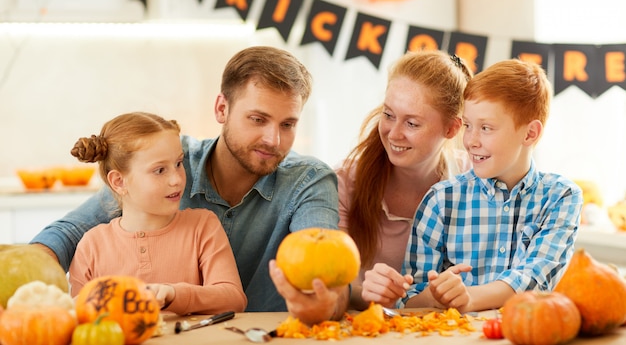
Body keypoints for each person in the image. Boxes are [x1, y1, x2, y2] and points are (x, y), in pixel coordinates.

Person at [31, 46, 346, 325]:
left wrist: (325, 301)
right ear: (222, 108)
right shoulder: (171, 158)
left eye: (287, 124)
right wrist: (22, 272)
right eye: (258, 119)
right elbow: (71, 232)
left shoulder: (309, 181)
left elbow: (328, 270)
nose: (273, 140)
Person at [361, 59, 583, 313]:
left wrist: (468, 297)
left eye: (486, 128)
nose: (470, 141)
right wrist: (435, 295)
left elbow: (536, 277)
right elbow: (409, 297)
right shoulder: (441, 199)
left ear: (530, 134)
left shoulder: (560, 197)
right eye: (468, 126)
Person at [67, 112, 247, 315]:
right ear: (119, 182)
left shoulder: (203, 226)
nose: (176, 180)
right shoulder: (91, 246)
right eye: (160, 170)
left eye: (179, 164)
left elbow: (233, 298)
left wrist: (174, 295)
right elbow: (80, 316)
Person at [335, 50, 473, 310]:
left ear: (452, 128)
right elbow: (336, 286)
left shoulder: (475, 181)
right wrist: (365, 293)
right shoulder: (345, 183)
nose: (394, 134)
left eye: (412, 123)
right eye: (388, 115)